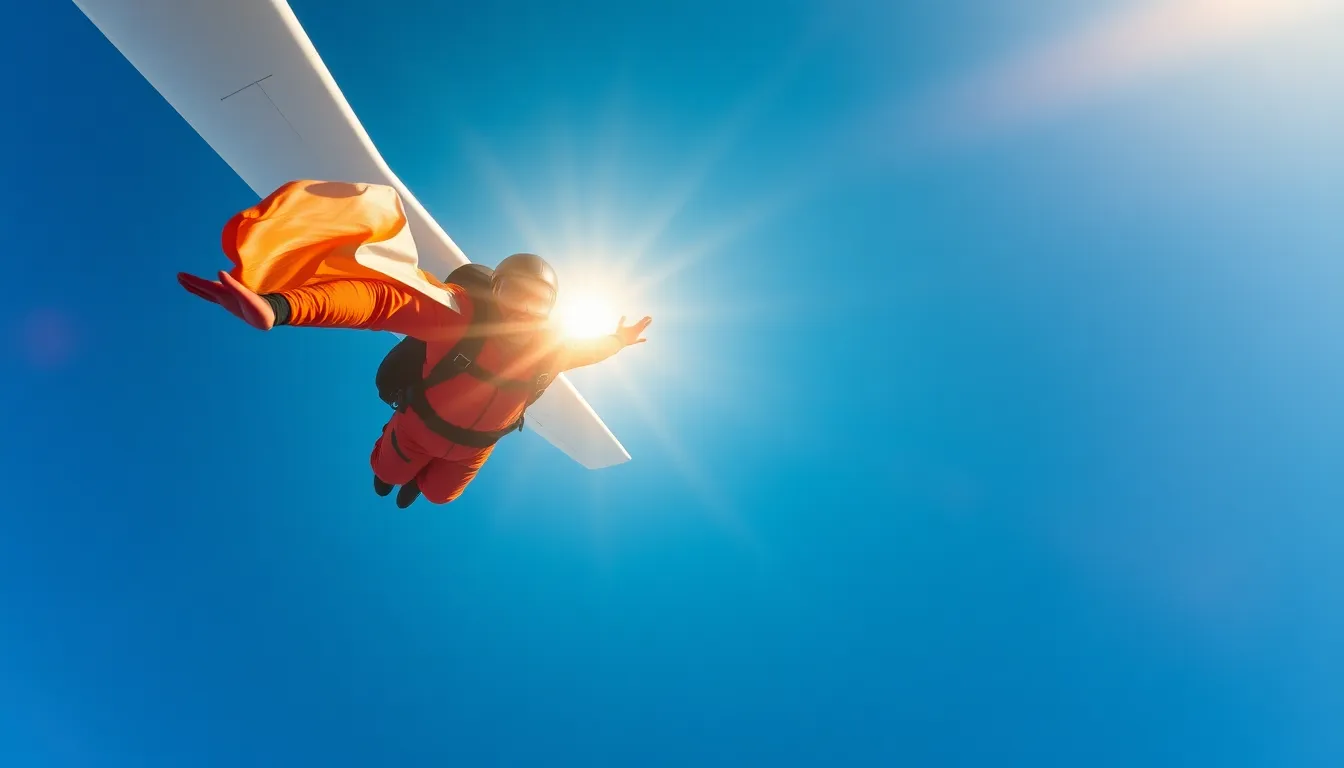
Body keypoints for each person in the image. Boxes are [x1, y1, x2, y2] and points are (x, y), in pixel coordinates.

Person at [176, 179, 650, 507]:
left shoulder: (553, 348)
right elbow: (378, 300)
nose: (522, 310)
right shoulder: (463, 314)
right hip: (418, 427)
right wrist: (283, 308)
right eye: (513, 294)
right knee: (390, 474)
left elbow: (588, 351)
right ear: (495, 291)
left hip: (473, 449)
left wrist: (618, 340)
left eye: (536, 301)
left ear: (551, 309)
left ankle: (413, 481)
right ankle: (390, 475)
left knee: (441, 496)